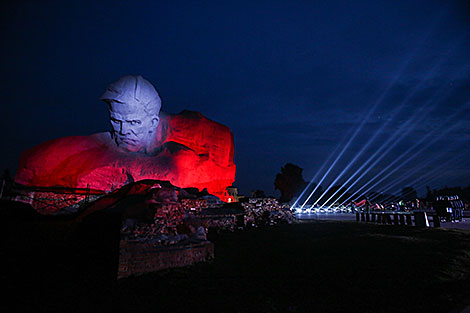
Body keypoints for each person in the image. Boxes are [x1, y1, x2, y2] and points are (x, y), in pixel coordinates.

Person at [15, 75, 236, 201]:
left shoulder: (180, 139)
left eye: (133, 123)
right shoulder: (105, 142)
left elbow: (221, 146)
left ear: (153, 122)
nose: (123, 130)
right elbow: (34, 162)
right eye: (116, 120)